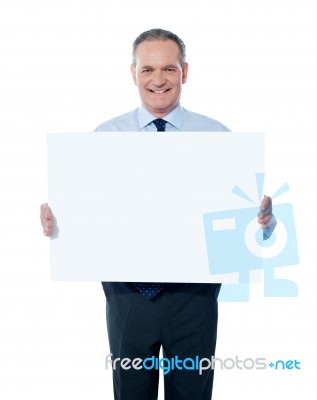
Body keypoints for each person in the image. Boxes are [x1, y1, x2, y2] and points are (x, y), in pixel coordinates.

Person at [40, 28, 275, 400]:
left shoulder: (219, 139)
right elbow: (83, 216)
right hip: (127, 299)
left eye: (168, 68)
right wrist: (57, 223)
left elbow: (248, 228)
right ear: (133, 73)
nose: (158, 80)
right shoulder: (104, 138)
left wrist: (264, 221)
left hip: (194, 300)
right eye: (148, 69)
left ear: (185, 71)